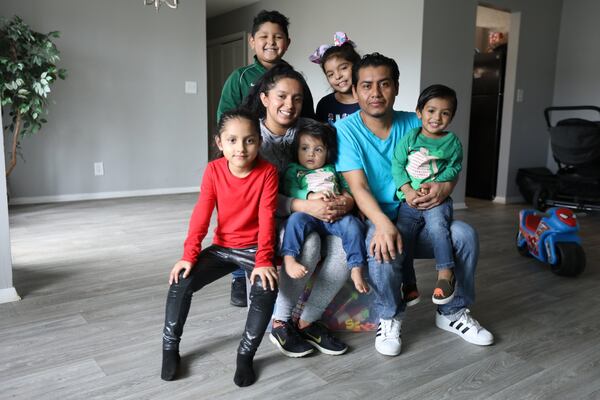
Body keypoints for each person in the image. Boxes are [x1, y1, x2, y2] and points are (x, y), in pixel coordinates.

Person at [336, 52, 493, 357]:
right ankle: (389, 316)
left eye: (384, 84)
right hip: (379, 216)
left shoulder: (418, 121)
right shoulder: (345, 131)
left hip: (422, 217)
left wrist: (445, 186)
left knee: (465, 236)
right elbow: (358, 187)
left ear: (396, 87)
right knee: (379, 244)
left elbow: (451, 163)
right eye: (366, 85)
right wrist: (382, 224)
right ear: (354, 91)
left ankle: (452, 312)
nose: (376, 93)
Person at [160, 108, 279, 387]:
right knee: (181, 281)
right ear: (220, 143)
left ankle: (245, 357)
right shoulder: (213, 171)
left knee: (267, 288)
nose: (241, 148)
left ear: (259, 142)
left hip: (254, 251)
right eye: (233, 140)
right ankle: (169, 348)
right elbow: (201, 213)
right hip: (223, 247)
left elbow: (267, 217)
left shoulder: (268, 172)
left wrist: (264, 260)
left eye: (249, 140)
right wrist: (189, 255)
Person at [242, 63, 352, 357]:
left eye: (297, 98)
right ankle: (280, 321)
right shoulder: (251, 139)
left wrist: (345, 201)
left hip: (315, 213)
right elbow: (252, 199)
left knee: (344, 246)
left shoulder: (308, 133)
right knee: (311, 243)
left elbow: (336, 174)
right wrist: (303, 205)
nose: (289, 105)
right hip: (268, 219)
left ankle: (306, 321)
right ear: (265, 98)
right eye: (281, 96)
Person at [217, 10, 315, 307]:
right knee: (241, 217)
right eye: (263, 37)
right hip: (247, 159)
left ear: (287, 42)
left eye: (277, 37)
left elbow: (307, 120)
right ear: (252, 41)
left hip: (284, 163)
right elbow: (225, 121)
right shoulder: (240, 78)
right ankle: (238, 275)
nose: (270, 42)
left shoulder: (294, 78)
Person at [391, 84, 463, 305]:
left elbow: (455, 167)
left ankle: (445, 274)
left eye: (445, 113)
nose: (437, 117)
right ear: (419, 112)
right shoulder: (411, 138)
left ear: (451, 117)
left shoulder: (451, 142)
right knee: (403, 236)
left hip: (436, 201)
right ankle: (408, 282)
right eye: (431, 111)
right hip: (410, 200)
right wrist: (408, 191)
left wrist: (438, 183)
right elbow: (397, 164)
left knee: (437, 228)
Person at [281, 120, 369, 294]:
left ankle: (356, 267)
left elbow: (348, 187)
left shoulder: (332, 169)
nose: (311, 154)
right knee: (294, 220)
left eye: (318, 149)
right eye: (304, 148)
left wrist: (355, 203)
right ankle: (289, 258)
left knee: (354, 225)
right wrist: (310, 196)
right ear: (296, 150)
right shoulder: (295, 170)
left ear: (327, 152)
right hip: (308, 214)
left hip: (336, 215)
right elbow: (290, 189)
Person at [310, 32, 361, 125]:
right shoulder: (324, 104)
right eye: (331, 74)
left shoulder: (368, 101)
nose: (338, 76)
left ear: (357, 65)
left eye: (343, 68)